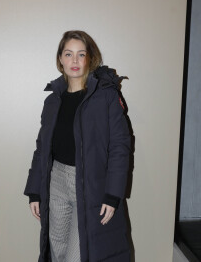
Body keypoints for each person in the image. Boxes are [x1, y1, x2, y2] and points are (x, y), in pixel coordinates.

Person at [24, 30, 133, 262]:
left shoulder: (105, 97)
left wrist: (113, 194)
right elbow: (42, 148)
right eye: (68, 54)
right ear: (60, 59)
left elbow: (120, 147)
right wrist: (34, 190)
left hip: (90, 185)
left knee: (77, 256)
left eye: (81, 54)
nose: (75, 60)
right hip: (56, 183)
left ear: (89, 58)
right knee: (57, 252)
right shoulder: (53, 101)